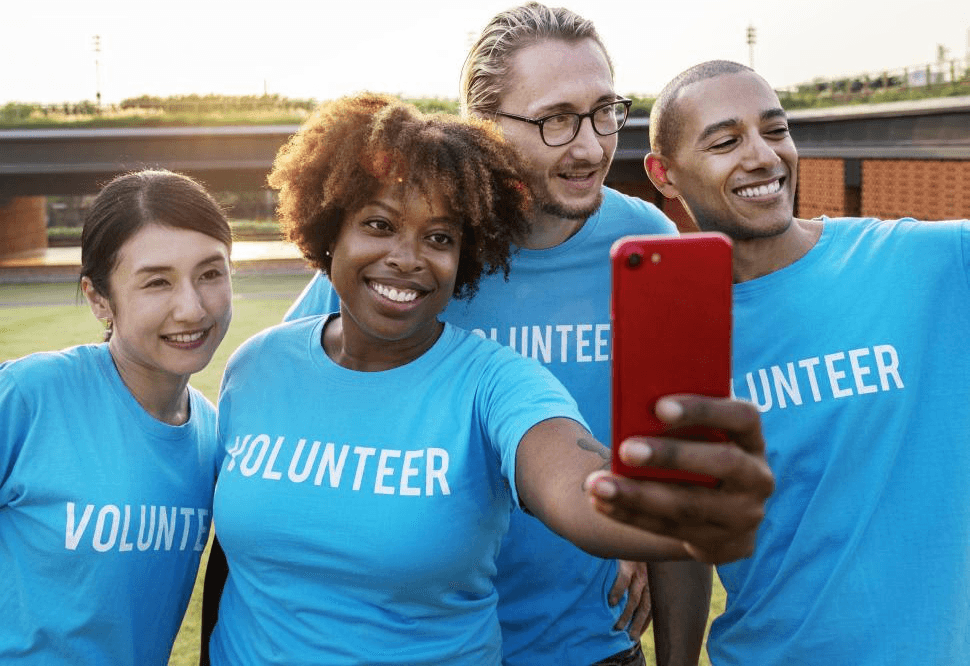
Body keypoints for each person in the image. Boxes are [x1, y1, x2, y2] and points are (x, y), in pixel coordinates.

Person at [203, 93, 773, 665]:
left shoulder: (498, 382)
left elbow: (571, 483)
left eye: (440, 237)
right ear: (330, 231)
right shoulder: (256, 366)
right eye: (379, 224)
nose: (407, 257)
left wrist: (679, 512)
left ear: (467, 257)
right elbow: (231, 564)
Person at [284, 4, 726, 664]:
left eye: (606, 111)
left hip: (590, 648)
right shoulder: (414, 250)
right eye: (556, 120)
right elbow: (291, 417)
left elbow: (677, 479)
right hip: (423, 646)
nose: (590, 145)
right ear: (482, 126)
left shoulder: (648, 248)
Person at [645, 60, 970, 664]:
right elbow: (682, 538)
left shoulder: (926, 264)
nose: (764, 157)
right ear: (664, 173)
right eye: (725, 141)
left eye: (775, 130)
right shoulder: (674, 335)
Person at [0, 169, 233, 665]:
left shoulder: (214, 436)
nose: (192, 308)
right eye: (157, 282)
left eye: (211, 273)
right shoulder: (28, 396)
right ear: (98, 299)